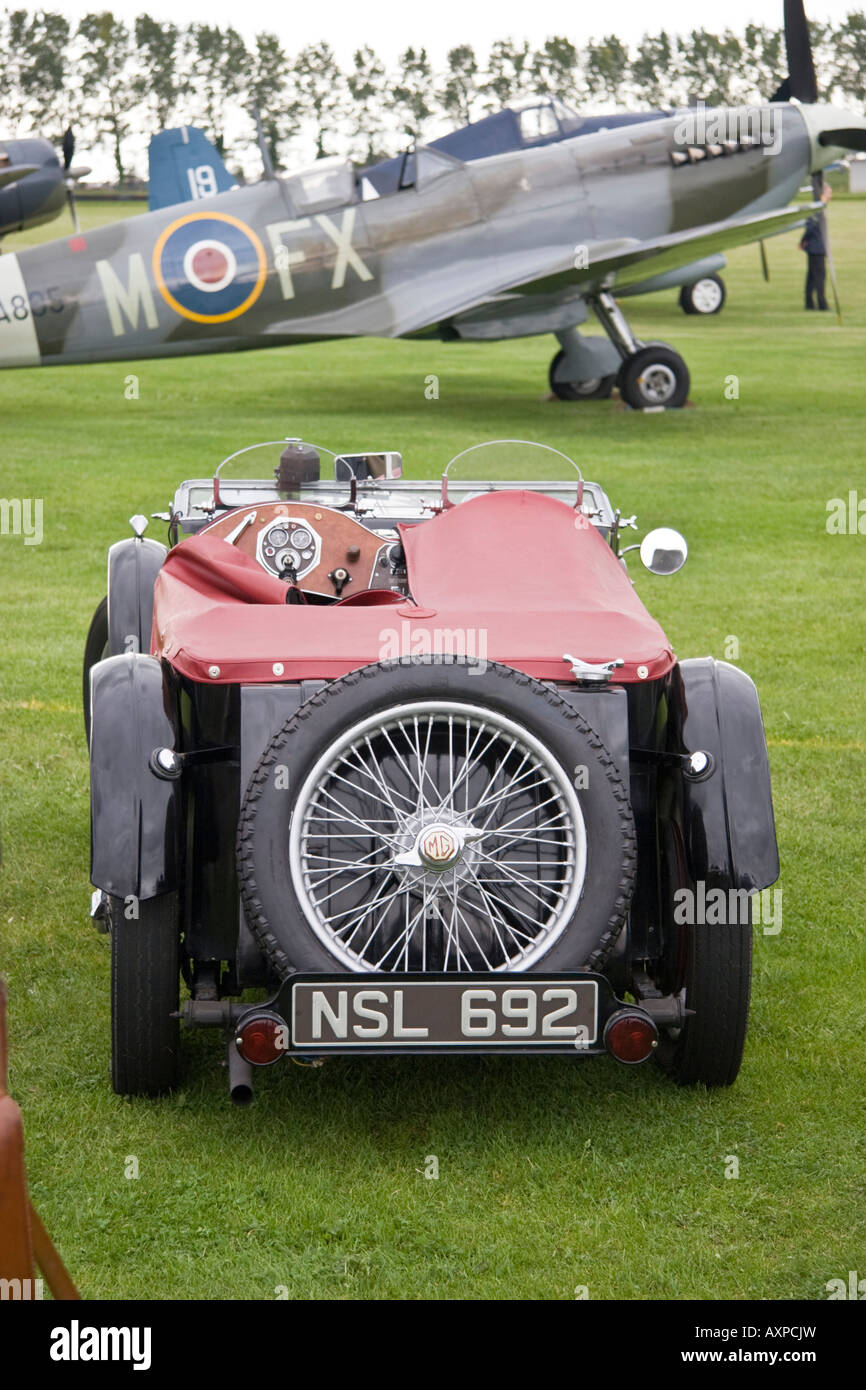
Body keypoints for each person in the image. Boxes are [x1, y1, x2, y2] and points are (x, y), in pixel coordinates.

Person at [800, 183, 832, 310]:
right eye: (829, 192)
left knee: (812, 277)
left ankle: (809, 303)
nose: (831, 195)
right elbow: (811, 226)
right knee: (819, 277)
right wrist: (804, 240)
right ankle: (821, 303)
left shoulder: (819, 208)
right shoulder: (818, 209)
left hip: (815, 248)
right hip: (816, 249)